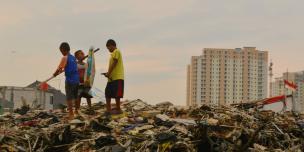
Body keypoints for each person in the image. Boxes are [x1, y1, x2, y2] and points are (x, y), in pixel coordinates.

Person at [53, 42, 79, 120]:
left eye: (61, 51)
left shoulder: (65, 57)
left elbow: (59, 68)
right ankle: (76, 112)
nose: (61, 53)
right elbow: (69, 67)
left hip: (70, 80)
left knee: (69, 98)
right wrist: (64, 69)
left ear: (63, 50)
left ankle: (71, 114)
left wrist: (55, 74)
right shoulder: (73, 58)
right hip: (76, 80)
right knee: (75, 96)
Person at [103, 39, 124, 115]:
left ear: (112, 45)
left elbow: (115, 62)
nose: (108, 50)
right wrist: (108, 73)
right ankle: (108, 110)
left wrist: (108, 73)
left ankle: (118, 109)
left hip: (118, 77)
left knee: (117, 95)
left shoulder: (116, 51)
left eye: (108, 48)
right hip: (111, 78)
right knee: (107, 93)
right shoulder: (112, 55)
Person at [74, 50, 93, 114]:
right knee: (78, 97)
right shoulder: (75, 64)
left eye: (83, 53)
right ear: (77, 57)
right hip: (78, 83)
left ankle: (90, 108)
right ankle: (77, 109)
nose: (83, 54)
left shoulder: (86, 64)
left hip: (86, 83)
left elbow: (89, 73)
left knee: (88, 96)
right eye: (81, 54)